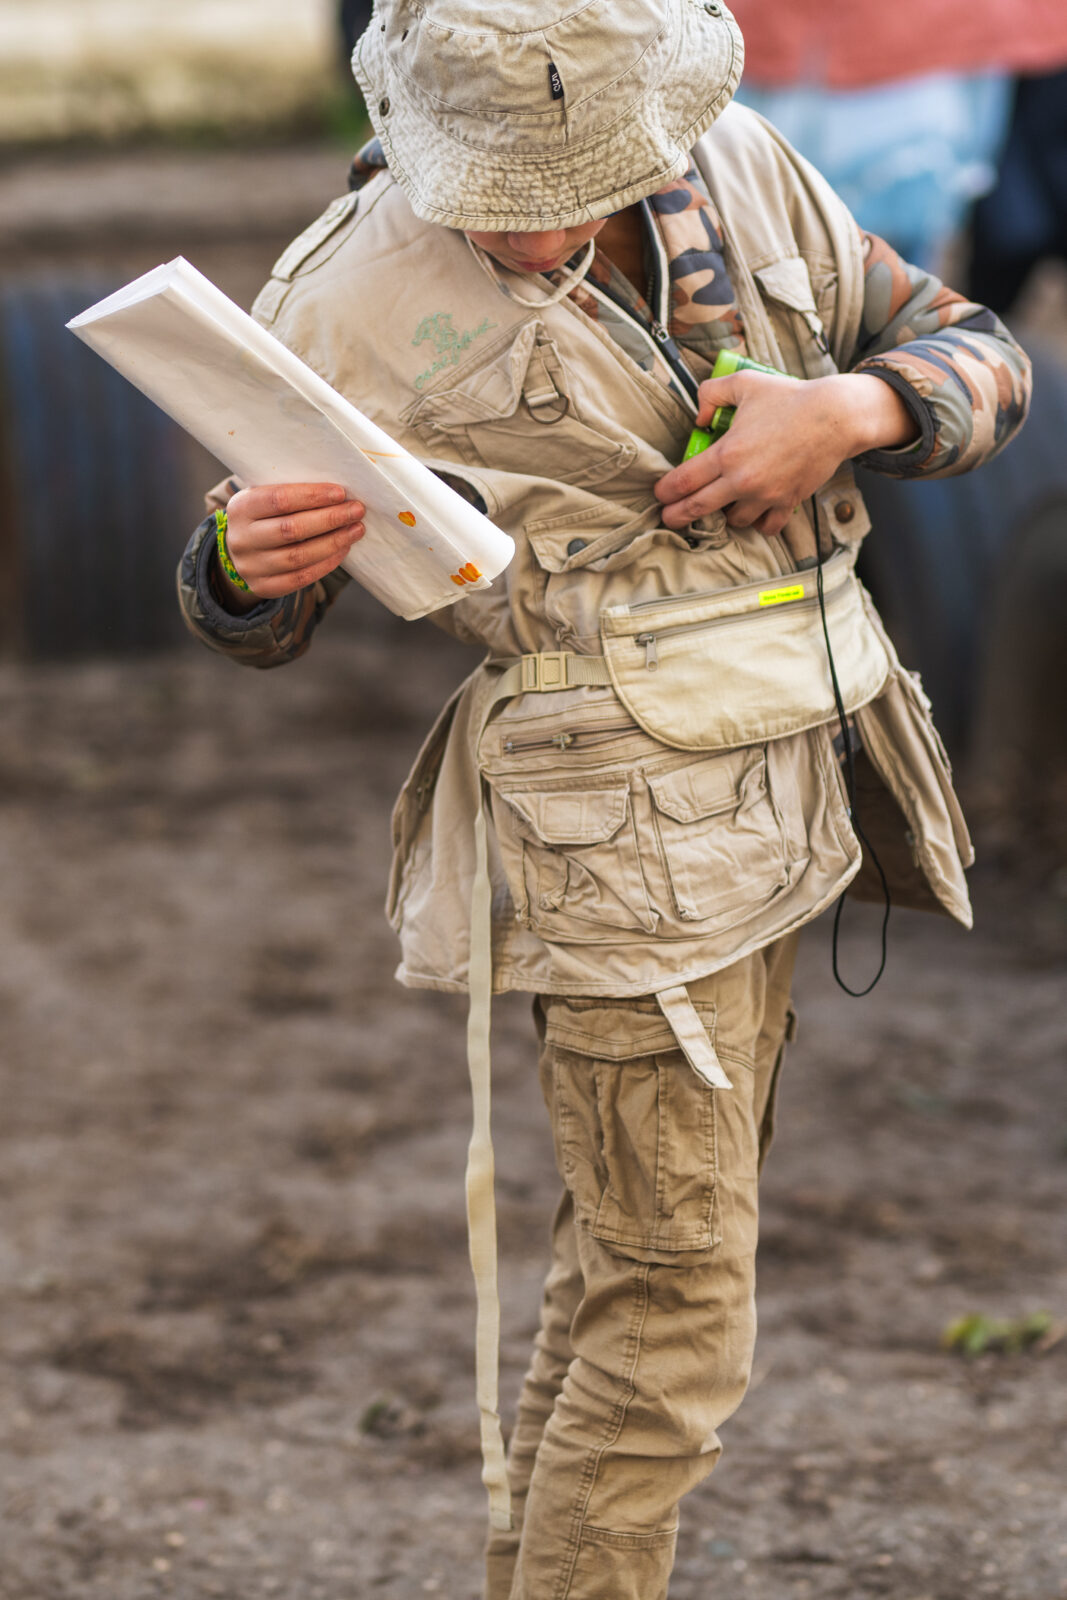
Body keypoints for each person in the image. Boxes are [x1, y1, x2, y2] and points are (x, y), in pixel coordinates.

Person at [177, 4, 1030, 1596]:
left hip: (794, 766)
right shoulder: (340, 299)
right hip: (613, 847)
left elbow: (985, 352)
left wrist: (849, 411)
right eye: (490, 192)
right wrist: (242, 568)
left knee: (627, 1275)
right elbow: (254, 614)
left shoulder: (747, 165)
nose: (528, 227)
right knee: (677, 1316)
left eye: (566, 185)